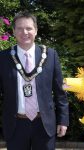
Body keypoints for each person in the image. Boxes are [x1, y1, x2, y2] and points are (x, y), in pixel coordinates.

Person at [0, 11, 69, 150]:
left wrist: (63, 120)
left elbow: (60, 92)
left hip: (44, 125)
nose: (24, 32)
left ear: (36, 30)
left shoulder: (50, 55)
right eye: (19, 28)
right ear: (13, 31)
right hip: (15, 125)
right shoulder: (3, 58)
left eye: (29, 28)